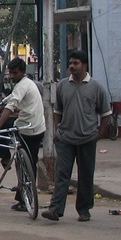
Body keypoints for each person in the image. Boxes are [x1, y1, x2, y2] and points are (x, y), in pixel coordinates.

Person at [42, 50, 112, 223]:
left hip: (87, 138)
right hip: (65, 138)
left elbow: (106, 113)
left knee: (85, 175)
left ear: (85, 65)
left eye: (76, 63)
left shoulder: (96, 87)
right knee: (62, 175)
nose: (72, 66)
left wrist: (99, 134)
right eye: (71, 63)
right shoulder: (63, 86)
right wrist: (57, 131)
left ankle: (84, 210)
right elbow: (57, 111)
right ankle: (55, 209)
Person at [0, 58, 45, 212]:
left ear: (22, 72)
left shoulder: (22, 85)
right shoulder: (28, 84)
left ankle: (4, 156)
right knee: (28, 163)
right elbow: (9, 103)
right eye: (10, 73)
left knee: (25, 164)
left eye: (15, 73)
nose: (12, 76)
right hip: (37, 127)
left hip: (28, 128)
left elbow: (10, 107)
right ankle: (23, 199)